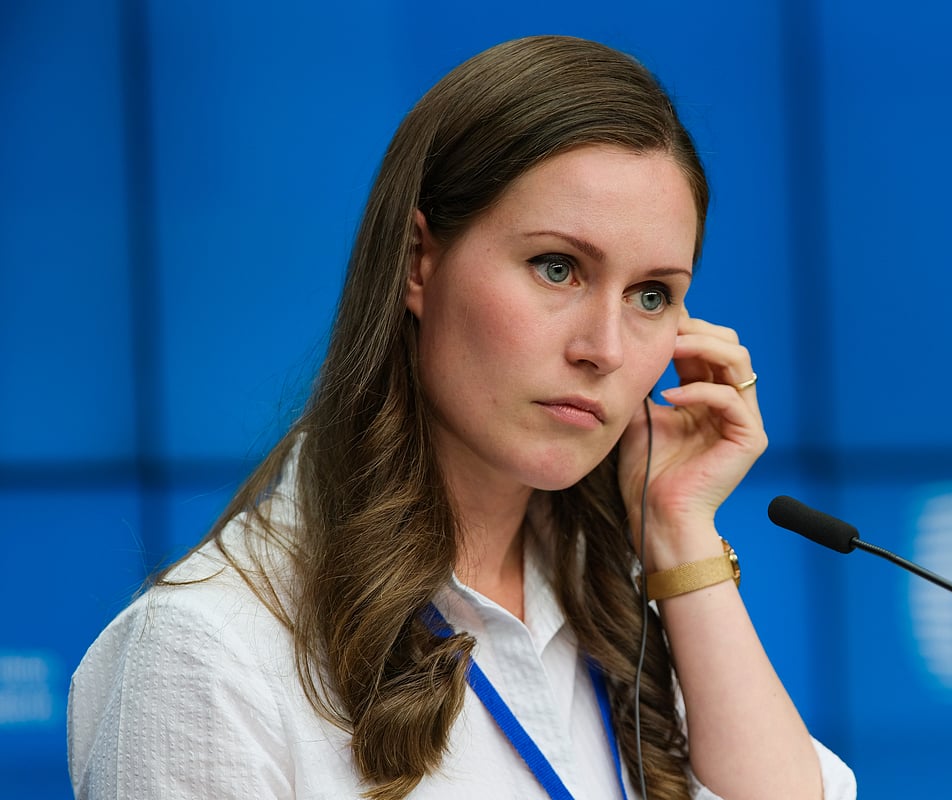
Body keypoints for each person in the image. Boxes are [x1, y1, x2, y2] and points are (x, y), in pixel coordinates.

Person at [67, 35, 856, 800]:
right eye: (557, 268)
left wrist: (680, 530)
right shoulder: (207, 650)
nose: (605, 349)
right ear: (418, 262)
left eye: (651, 295)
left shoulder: (613, 603)